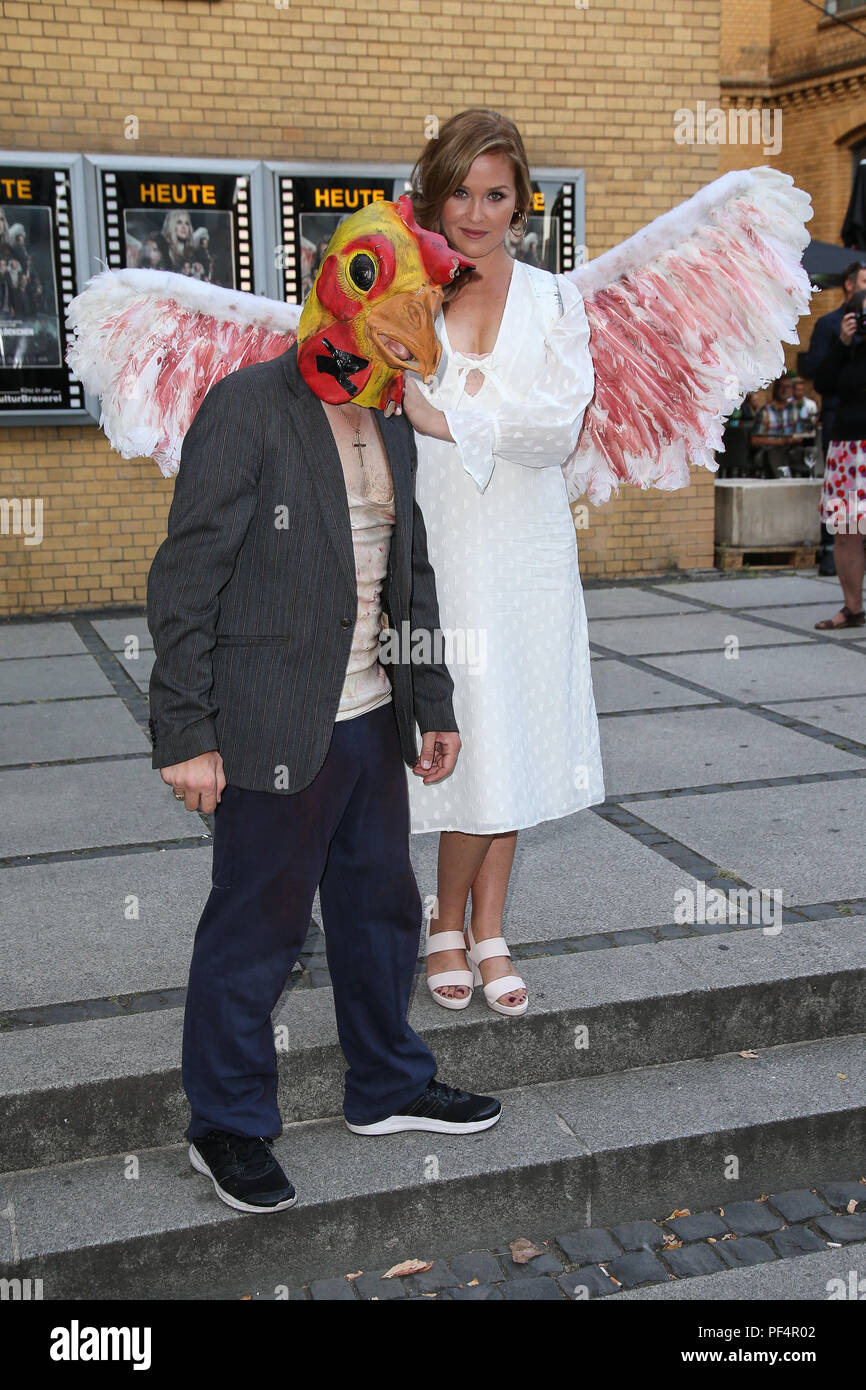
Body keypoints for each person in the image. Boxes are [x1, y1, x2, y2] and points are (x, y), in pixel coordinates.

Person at [146, 325, 502, 1214]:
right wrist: (186, 731)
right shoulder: (249, 403)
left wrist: (433, 702)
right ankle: (225, 1125)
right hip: (270, 719)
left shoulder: (389, 412)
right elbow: (186, 576)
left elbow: (407, 573)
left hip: (372, 716)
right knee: (256, 926)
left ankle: (386, 1084)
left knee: (379, 911)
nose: (394, 331)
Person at [398, 108, 603, 1017]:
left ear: (521, 201)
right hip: (437, 546)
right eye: (461, 192)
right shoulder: (402, 291)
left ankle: (486, 929)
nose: (477, 212)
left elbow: (555, 429)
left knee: (512, 728)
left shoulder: (556, 300)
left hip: (526, 549)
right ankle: (447, 917)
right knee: (465, 732)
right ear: (434, 193)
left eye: (497, 193)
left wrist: (446, 416)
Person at [805, 260, 866, 575]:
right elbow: (820, 378)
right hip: (843, 428)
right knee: (846, 522)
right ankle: (829, 555)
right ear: (850, 285)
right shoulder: (832, 324)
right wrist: (843, 343)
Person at [812, 288, 866, 629]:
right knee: (847, 530)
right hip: (847, 449)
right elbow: (823, 383)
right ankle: (852, 608)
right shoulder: (847, 349)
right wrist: (844, 344)